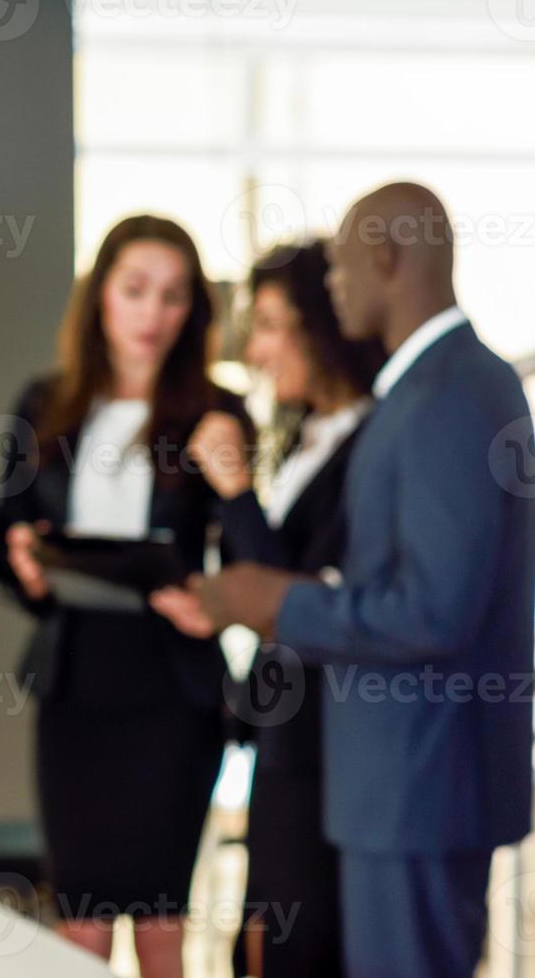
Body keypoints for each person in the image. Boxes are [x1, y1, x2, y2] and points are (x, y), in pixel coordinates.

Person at [185, 182, 535, 978]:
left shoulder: (447, 395)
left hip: (418, 784)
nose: (333, 287)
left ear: (385, 258)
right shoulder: (431, 389)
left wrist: (276, 601)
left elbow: (433, 611)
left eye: (340, 269)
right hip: (403, 781)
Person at [0, 214, 249, 978]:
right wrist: (25, 568)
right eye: (135, 290)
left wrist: (211, 595)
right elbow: (11, 545)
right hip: (75, 685)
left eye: (173, 296)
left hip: (171, 689)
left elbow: (250, 562)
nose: (152, 314)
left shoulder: (215, 411)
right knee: (78, 917)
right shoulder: (44, 407)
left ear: (194, 312)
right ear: (99, 296)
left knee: (161, 921)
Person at [152, 240, 384, 977]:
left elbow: (298, 594)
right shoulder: (303, 433)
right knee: (261, 939)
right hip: (282, 732)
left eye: (271, 325)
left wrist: (235, 491)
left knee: (291, 942)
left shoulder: (372, 443)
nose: (253, 350)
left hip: (328, 737)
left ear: (324, 325)